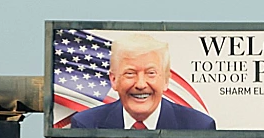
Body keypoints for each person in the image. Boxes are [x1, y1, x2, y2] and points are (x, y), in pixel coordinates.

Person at [71, 33, 216, 130]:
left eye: (150, 73)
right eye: (130, 74)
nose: (140, 84)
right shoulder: (86, 124)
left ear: (166, 80)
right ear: (114, 80)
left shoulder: (199, 126)